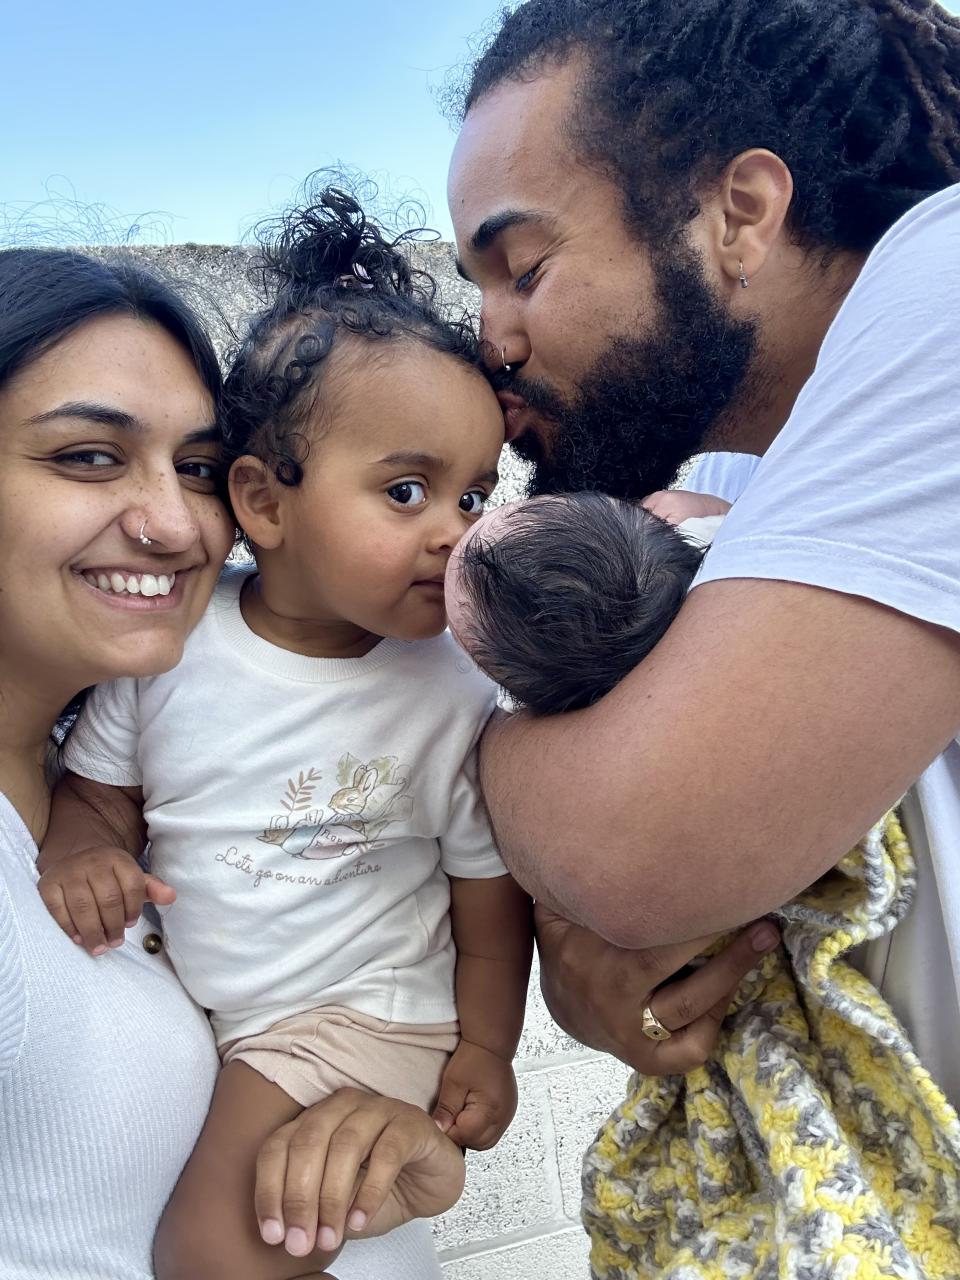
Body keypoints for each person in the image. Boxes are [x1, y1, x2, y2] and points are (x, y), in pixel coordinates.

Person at [447, 0, 960, 1267]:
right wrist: (606, 971)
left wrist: (485, 759)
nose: (492, 340)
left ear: (741, 211)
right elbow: (621, 925)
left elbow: (641, 844)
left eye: (524, 267)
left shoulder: (949, 273)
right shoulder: (741, 483)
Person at [35, 189, 533, 1280]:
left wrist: (487, 1048)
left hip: (358, 1021)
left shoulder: (452, 688)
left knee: (215, 1250)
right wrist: (82, 848)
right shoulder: (177, 649)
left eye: (476, 494)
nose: (456, 530)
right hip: (241, 1023)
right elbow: (98, 789)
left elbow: (488, 898)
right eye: (408, 489)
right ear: (263, 502)